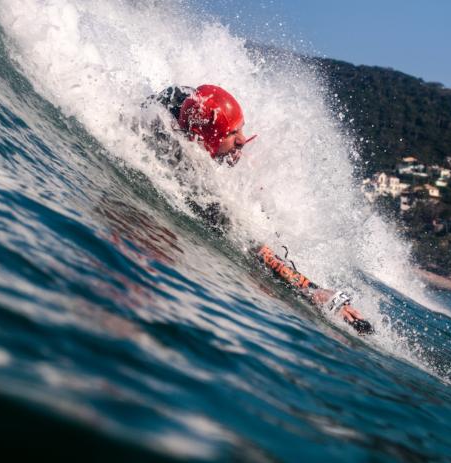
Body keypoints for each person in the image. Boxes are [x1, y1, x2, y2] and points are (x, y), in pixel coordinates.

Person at [146, 84, 373, 335]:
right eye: (233, 134)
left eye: (241, 128)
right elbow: (249, 243)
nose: (243, 140)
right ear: (205, 137)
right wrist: (311, 290)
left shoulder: (180, 104)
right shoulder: (184, 167)